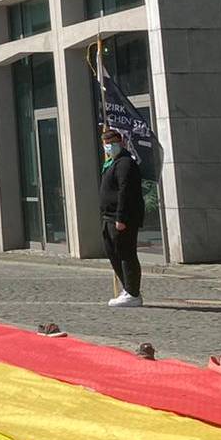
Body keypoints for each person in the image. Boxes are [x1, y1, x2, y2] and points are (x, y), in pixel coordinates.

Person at [100, 128, 145, 307]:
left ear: (120, 143)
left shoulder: (125, 163)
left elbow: (125, 191)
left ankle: (133, 292)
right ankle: (127, 288)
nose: (108, 147)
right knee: (113, 253)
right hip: (108, 217)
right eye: (106, 144)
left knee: (126, 253)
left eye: (111, 143)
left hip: (121, 218)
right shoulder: (111, 163)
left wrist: (121, 217)